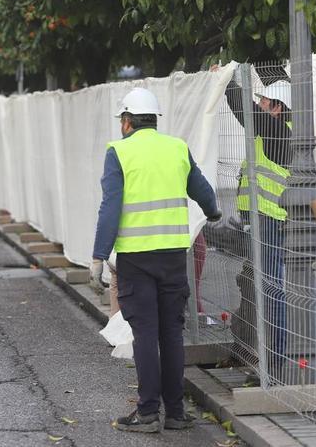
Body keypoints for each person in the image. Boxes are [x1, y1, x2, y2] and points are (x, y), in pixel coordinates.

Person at [90, 87, 221, 433]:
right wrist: (213, 211)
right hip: (174, 256)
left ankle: (148, 413)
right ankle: (176, 413)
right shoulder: (176, 148)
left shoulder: (118, 152)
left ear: (128, 121)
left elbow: (110, 207)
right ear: (155, 120)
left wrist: (98, 256)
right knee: (171, 333)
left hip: (136, 258)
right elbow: (202, 189)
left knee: (145, 333)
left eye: (122, 119)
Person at [216, 64, 293, 376]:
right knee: (253, 283)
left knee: (270, 286)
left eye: (265, 101)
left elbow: (244, 110)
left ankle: (274, 363)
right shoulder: (271, 132)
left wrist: (226, 81)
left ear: (277, 108)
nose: (260, 104)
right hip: (259, 222)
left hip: (270, 222)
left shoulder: (277, 131)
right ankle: (253, 352)